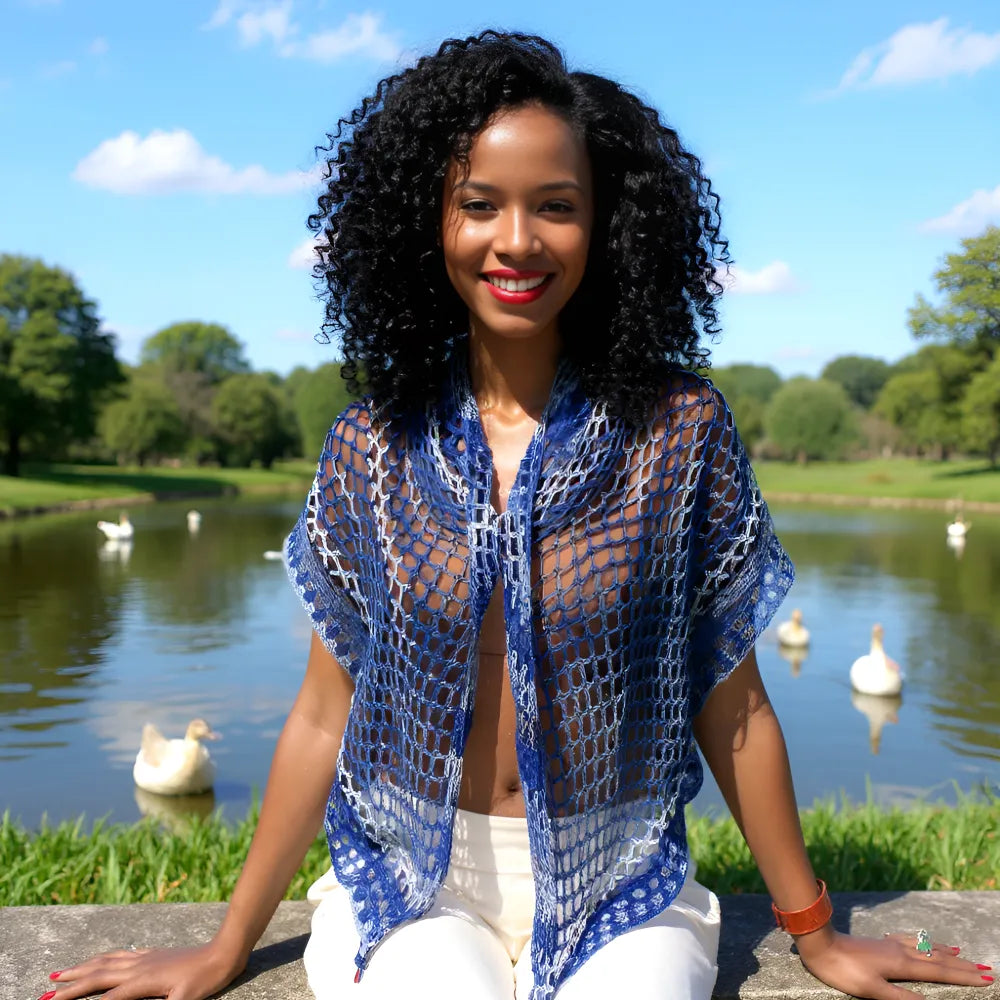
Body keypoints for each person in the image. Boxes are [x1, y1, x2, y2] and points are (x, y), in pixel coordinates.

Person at [44, 30, 991, 1000]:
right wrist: (226, 941)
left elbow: (734, 705)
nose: (516, 240)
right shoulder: (372, 447)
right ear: (429, 220)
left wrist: (815, 933)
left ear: (606, 223)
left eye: (556, 206)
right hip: (410, 879)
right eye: (479, 204)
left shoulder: (677, 433)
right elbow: (324, 716)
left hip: (622, 877)